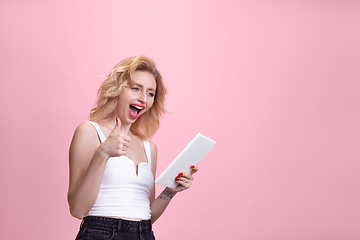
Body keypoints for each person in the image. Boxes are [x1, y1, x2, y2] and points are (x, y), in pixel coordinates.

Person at [67, 56, 198, 240]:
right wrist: (103, 153)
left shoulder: (149, 148)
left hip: (143, 234)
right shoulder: (89, 132)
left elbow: (147, 214)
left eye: (151, 93)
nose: (143, 99)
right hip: (101, 233)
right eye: (136, 88)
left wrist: (171, 190)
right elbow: (77, 209)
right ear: (118, 90)